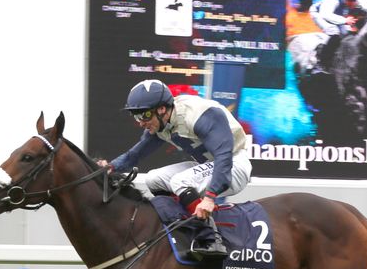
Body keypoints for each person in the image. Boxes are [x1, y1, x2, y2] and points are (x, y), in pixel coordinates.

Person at [98, 79, 252, 259]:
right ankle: (180, 226)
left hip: (233, 164)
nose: (141, 123)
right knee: (152, 178)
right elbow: (135, 155)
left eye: (144, 115)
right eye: (136, 117)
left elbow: (224, 157)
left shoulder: (200, 115)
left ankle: (212, 238)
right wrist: (110, 167)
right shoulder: (162, 122)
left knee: (180, 181)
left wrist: (210, 198)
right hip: (209, 166)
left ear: (162, 109)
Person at [308, 0, 367, 74]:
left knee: (347, 34)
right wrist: (345, 20)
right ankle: (318, 61)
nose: (353, 2)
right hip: (319, 13)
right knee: (333, 31)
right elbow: (326, 15)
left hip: (338, 10)